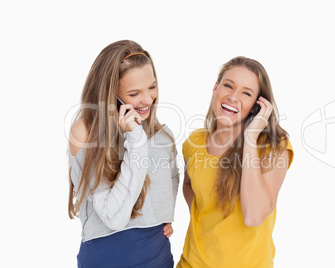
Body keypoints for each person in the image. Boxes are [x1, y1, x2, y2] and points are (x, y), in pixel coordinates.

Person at [67, 40, 179, 268]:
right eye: (134, 93)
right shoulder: (85, 131)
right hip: (106, 260)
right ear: (111, 95)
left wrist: (164, 216)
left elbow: (172, 181)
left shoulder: (163, 136)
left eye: (152, 87)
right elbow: (113, 217)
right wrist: (135, 140)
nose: (148, 99)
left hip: (158, 258)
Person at [177, 56, 294, 268]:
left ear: (257, 106)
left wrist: (250, 139)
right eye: (228, 85)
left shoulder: (273, 148)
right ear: (215, 88)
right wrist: (205, 216)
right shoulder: (194, 142)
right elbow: (188, 185)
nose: (233, 96)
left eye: (246, 93)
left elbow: (254, 216)